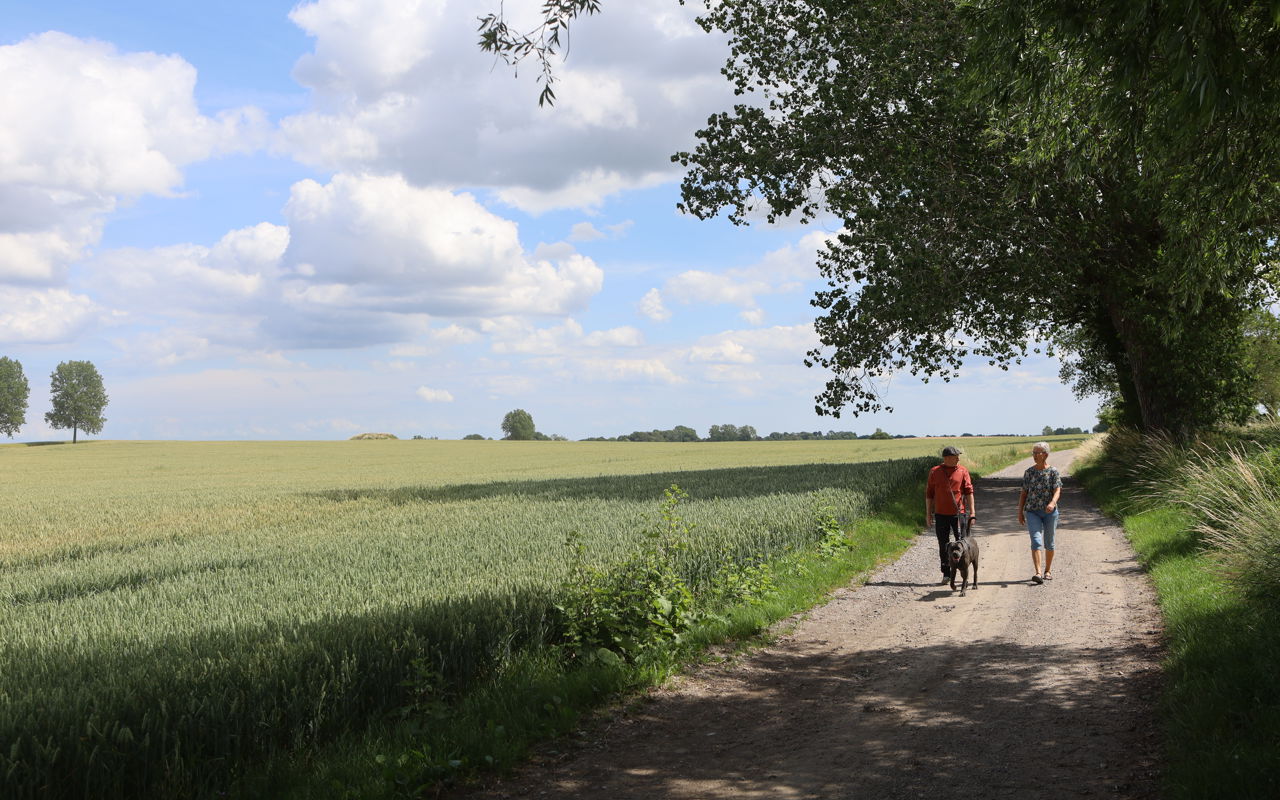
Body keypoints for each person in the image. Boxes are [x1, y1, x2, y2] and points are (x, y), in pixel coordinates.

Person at [925, 445, 976, 583]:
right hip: (941, 514)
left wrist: (972, 512)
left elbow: (969, 492)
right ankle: (946, 573)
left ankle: (963, 569)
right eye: (955, 456)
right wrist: (928, 514)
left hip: (959, 514)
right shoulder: (934, 472)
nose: (958, 458)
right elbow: (929, 494)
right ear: (947, 458)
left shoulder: (963, 471)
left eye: (958, 456)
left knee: (962, 543)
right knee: (943, 544)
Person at [1018, 441, 1063, 584]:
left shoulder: (1053, 472)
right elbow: (1024, 493)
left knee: (1049, 543)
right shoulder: (1029, 472)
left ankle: (1047, 570)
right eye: (1034, 453)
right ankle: (1037, 572)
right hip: (1032, 512)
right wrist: (1020, 511)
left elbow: (1057, 490)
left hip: (1050, 512)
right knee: (1036, 541)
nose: (1035, 455)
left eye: (1038, 453)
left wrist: (1052, 503)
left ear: (1045, 455)